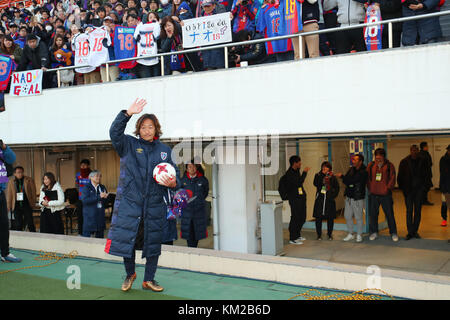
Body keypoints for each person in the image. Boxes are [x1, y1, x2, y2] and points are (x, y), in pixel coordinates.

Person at [105, 98, 180, 293]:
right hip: (131, 204)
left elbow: (175, 176)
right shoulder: (128, 144)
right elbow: (114, 132)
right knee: (127, 242)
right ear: (138, 129)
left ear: (156, 129)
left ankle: (149, 279)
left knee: (153, 244)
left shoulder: (165, 150)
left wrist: (173, 183)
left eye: (151, 127)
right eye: (144, 127)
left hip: (155, 205)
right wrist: (127, 114)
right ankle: (130, 274)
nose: (147, 130)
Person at [367, 148, 398, 241]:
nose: (378, 161)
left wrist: (387, 189)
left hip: (385, 195)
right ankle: (374, 232)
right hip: (373, 194)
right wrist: (371, 188)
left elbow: (392, 178)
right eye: (376, 158)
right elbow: (367, 178)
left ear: (384, 157)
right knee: (373, 215)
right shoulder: (371, 165)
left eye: (380, 159)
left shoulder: (389, 166)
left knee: (389, 214)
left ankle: (393, 233)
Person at [397, 145, 428, 240]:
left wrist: (424, 188)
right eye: (412, 150)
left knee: (418, 211)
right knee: (409, 211)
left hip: (419, 190)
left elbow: (427, 175)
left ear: (418, 151)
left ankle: (415, 231)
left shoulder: (423, 161)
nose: (414, 152)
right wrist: (403, 190)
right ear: (410, 151)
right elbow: (400, 177)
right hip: (408, 191)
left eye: (415, 150)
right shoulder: (404, 162)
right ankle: (410, 232)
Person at [336, 154, 368, 243]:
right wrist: (347, 179)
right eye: (353, 159)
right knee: (347, 216)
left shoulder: (364, 171)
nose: (353, 161)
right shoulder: (351, 169)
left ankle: (359, 234)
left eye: (355, 160)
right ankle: (351, 233)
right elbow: (347, 181)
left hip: (358, 198)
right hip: (349, 197)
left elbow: (352, 180)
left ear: (360, 161)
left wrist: (344, 177)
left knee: (358, 217)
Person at [0, 140, 22, 263]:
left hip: (0, 192)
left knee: (3, 225)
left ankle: (5, 253)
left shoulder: (1, 151)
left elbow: (11, 158)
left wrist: (4, 147)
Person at [179, 160, 209, 248]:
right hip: (187, 212)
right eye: (189, 167)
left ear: (196, 167)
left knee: (197, 232)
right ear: (187, 169)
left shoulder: (203, 180)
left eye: (193, 166)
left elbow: (205, 193)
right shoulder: (183, 180)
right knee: (188, 232)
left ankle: (194, 248)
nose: (191, 169)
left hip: (198, 211)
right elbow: (180, 194)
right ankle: (191, 249)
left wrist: (198, 201)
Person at [283, 155, 310, 244]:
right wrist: (305, 173)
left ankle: (297, 235)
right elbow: (299, 182)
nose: (300, 163)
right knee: (295, 217)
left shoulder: (297, 171)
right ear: (295, 163)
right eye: (299, 162)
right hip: (294, 199)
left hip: (301, 198)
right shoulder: (289, 173)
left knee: (302, 217)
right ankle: (292, 238)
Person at [313, 161, 339, 240]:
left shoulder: (332, 176)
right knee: (318, 217)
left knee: (330, 218)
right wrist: (322, 176)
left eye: (326, 167)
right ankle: (319, 235)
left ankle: (329, 234)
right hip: (320, 199)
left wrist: (332, 196)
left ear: (329, 168)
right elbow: (315, 183)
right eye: (323, 166)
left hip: (329, 200)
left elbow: (337, 187)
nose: (324, 168)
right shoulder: (318, 175)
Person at [6, 166, 37, 232]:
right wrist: (9, 206)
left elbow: (33, 192)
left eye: (21, 172)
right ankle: (20, 238)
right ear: (14, 174)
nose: (20, 174)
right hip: (16, 205)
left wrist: (33, 202)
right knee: (18, 224)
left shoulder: (29, 180)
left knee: (30, 223)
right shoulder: (11, 182)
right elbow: (9, 195)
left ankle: (34, 236)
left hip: (27, 204)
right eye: (18, 172)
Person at [81, 170, 108, 238]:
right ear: (91, 177)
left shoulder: (102, 187)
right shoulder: (86, 187)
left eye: (100, 176)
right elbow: (85, 200)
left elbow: (106, 201)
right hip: (90, 215)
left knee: (100, 237)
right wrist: (99, 197)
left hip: (100, 215)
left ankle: (99, 249)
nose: (98, 178)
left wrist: (106, 197)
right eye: (97, 176)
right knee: (86, 238)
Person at [439, 145, 450, 228]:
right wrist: (442, 187)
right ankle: (444, 219)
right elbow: (442, 174)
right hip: (445, 186)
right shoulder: (443, 159)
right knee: (444, 204)